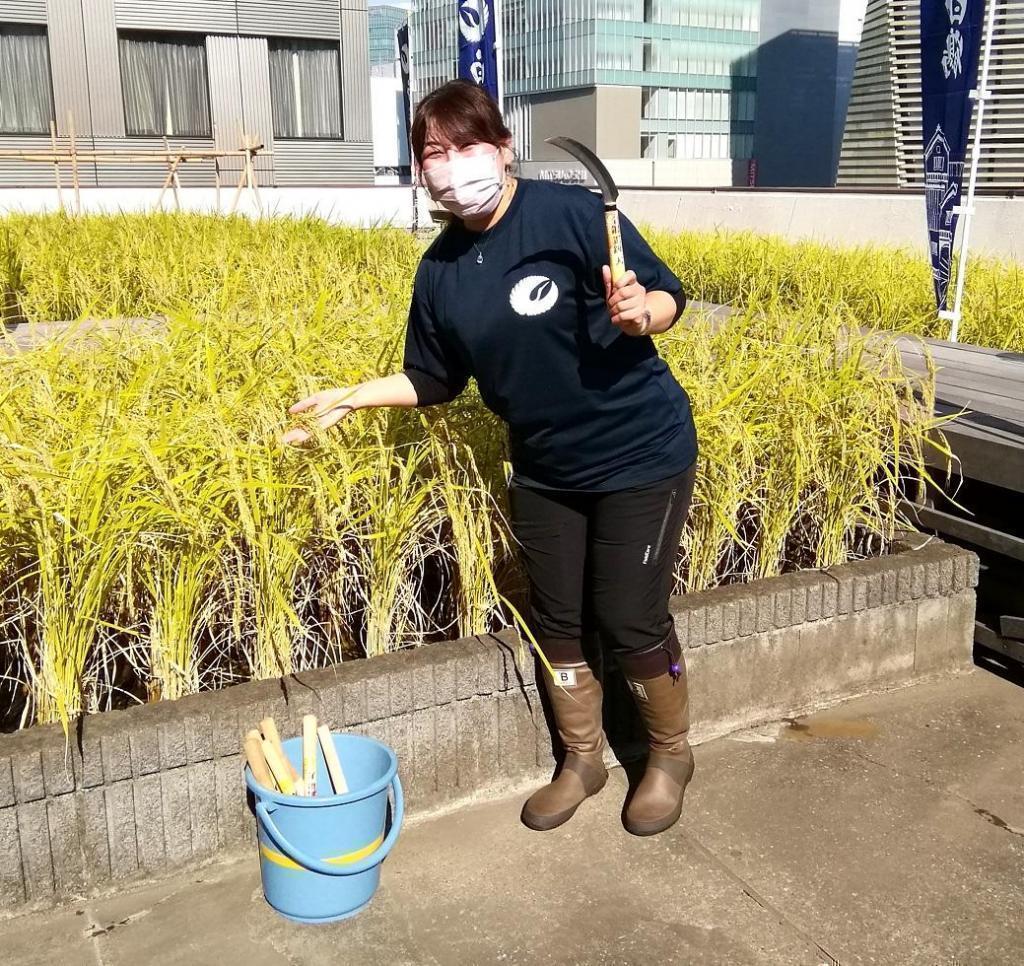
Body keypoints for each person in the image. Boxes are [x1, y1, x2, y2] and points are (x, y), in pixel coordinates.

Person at [284, 80, 699, 837]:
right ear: (420, 169)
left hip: (641, 452)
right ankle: (582, 758)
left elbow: (668, 293)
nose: (452, 165)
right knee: (558, 620)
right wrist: (351, 396)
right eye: (433, 152)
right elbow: (433, 378)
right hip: (544, 468)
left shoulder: (571, 214)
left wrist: (646, 315)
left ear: (503, 149)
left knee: (629, 616)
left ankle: (668, 756)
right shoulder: (441, 270)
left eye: (468, 145)